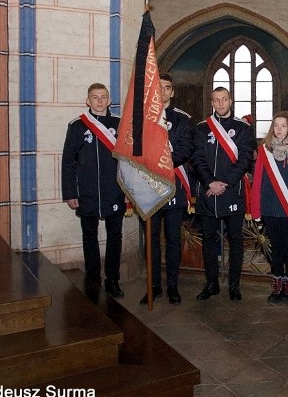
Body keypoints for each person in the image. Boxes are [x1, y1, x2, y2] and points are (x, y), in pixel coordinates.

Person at [61, 83, 127, 298]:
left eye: (103, 97)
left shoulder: (120, 124)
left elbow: (129, 159)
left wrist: (130, 189)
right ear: (88, 101)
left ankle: (113, 280)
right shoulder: (78, 126)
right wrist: (70, 192)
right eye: (95, 97)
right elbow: (69, 162)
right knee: (89, 236)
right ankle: (93, 280)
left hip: (114, 191)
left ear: (109, 100)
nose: (99, 101)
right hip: (87, 192)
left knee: (115, 237)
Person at [192, 87, 256, 301]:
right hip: (208, 193)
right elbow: (197, 159)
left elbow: (245, 159)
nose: (220, 104)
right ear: (211, 102)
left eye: (224, 99)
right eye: (216, 100)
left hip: (232, 192)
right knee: (208, 239)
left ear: (231, 100)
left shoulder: (243, 128)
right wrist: (210, 182)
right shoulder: (202, 129)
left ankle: (234, 285)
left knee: (236, 239)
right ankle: (211, 283)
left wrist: (224, 182)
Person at [141, 74, 194, 305]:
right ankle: (154, 286)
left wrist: (162, 160)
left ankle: (172, 285)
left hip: (173, 187)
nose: (163, 91)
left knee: (173, 240)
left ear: (172, 92)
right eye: (159, 87)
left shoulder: (182, 120)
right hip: (149, 189)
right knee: (151, 240)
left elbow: (186, 148)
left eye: (167, 88)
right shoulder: (143, 118)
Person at [251, 111, 288, 303]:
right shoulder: (264, 152)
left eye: (283, 126)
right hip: (269, 207)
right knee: (275, 249)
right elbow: (258, 180)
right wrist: (256, 209)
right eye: (276, 125)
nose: (279, 129)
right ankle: (277, 285)